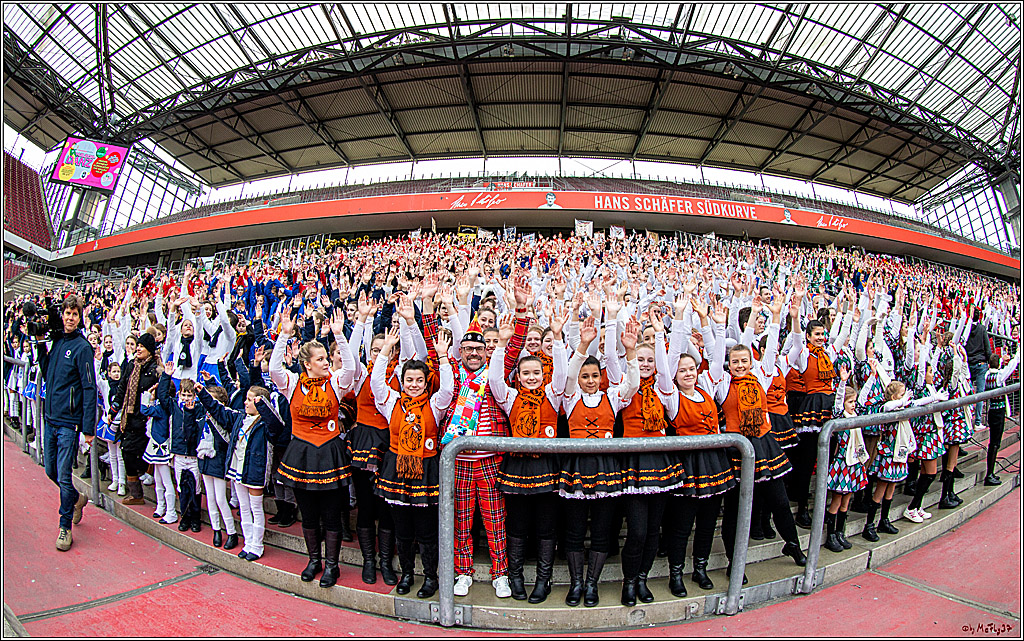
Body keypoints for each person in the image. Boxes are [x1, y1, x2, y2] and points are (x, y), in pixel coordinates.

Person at [488, 307, 568, 603]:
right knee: (518, 525)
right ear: (518, 376)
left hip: (546, 466)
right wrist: (500, 346)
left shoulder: (552, 394)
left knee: (546, 526)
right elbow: (495, 381)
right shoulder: (510, 397)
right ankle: (517, 576)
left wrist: (557, 337)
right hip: (518, 467)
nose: (532, 377)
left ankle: (543, 581)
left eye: (536, 373)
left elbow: (561, 374)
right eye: (526, 373)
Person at [269, 309, 354, 588]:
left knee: (331, 515)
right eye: (320, 360)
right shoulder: (292, 383)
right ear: (307, 364)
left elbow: (351, 368)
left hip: (329, 453)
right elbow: (273, 370)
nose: (327, 363)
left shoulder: (336, 382)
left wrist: (340, 336)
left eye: (327, 358)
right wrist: (283, 334)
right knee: (308, 514)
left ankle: (332, 565)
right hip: (302, 455)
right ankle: (313, 560)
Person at [370, 326, 454, 598]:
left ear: (425, 382)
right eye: (409, 380)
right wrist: (384, 352)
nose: (414, 385)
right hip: (396, 471)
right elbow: (376, 384)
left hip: (426, 471)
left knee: (427, 530)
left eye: (419, 380)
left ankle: (431, 577)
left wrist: (442, 357)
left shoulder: (435, 404)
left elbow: (450, 389)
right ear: (402, 381)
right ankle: (407, 574)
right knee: (402, 529)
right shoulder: (390, 401)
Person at [37, 294, 97, 551]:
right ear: (62, 315)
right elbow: (46, 369)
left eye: (74, 314)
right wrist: (40, 343)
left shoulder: (83, 347)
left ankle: (64, 526)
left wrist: (88, 428)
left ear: (79, 317)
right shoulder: (58, 339)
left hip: (68, 423)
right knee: (50, 470)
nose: (70, 318)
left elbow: (89, 387)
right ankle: (76, 498)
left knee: (63, 474)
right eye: (67, 313)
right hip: (50, 418)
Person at [964, 307, 992, 428]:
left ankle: (968, 420)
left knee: (968, 392)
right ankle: (978, 421)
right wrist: (990, 360)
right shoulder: (982, 329)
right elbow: (987, 347)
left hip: (969, 363)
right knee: (980, 393)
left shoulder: (966, 329)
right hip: (980, 364)